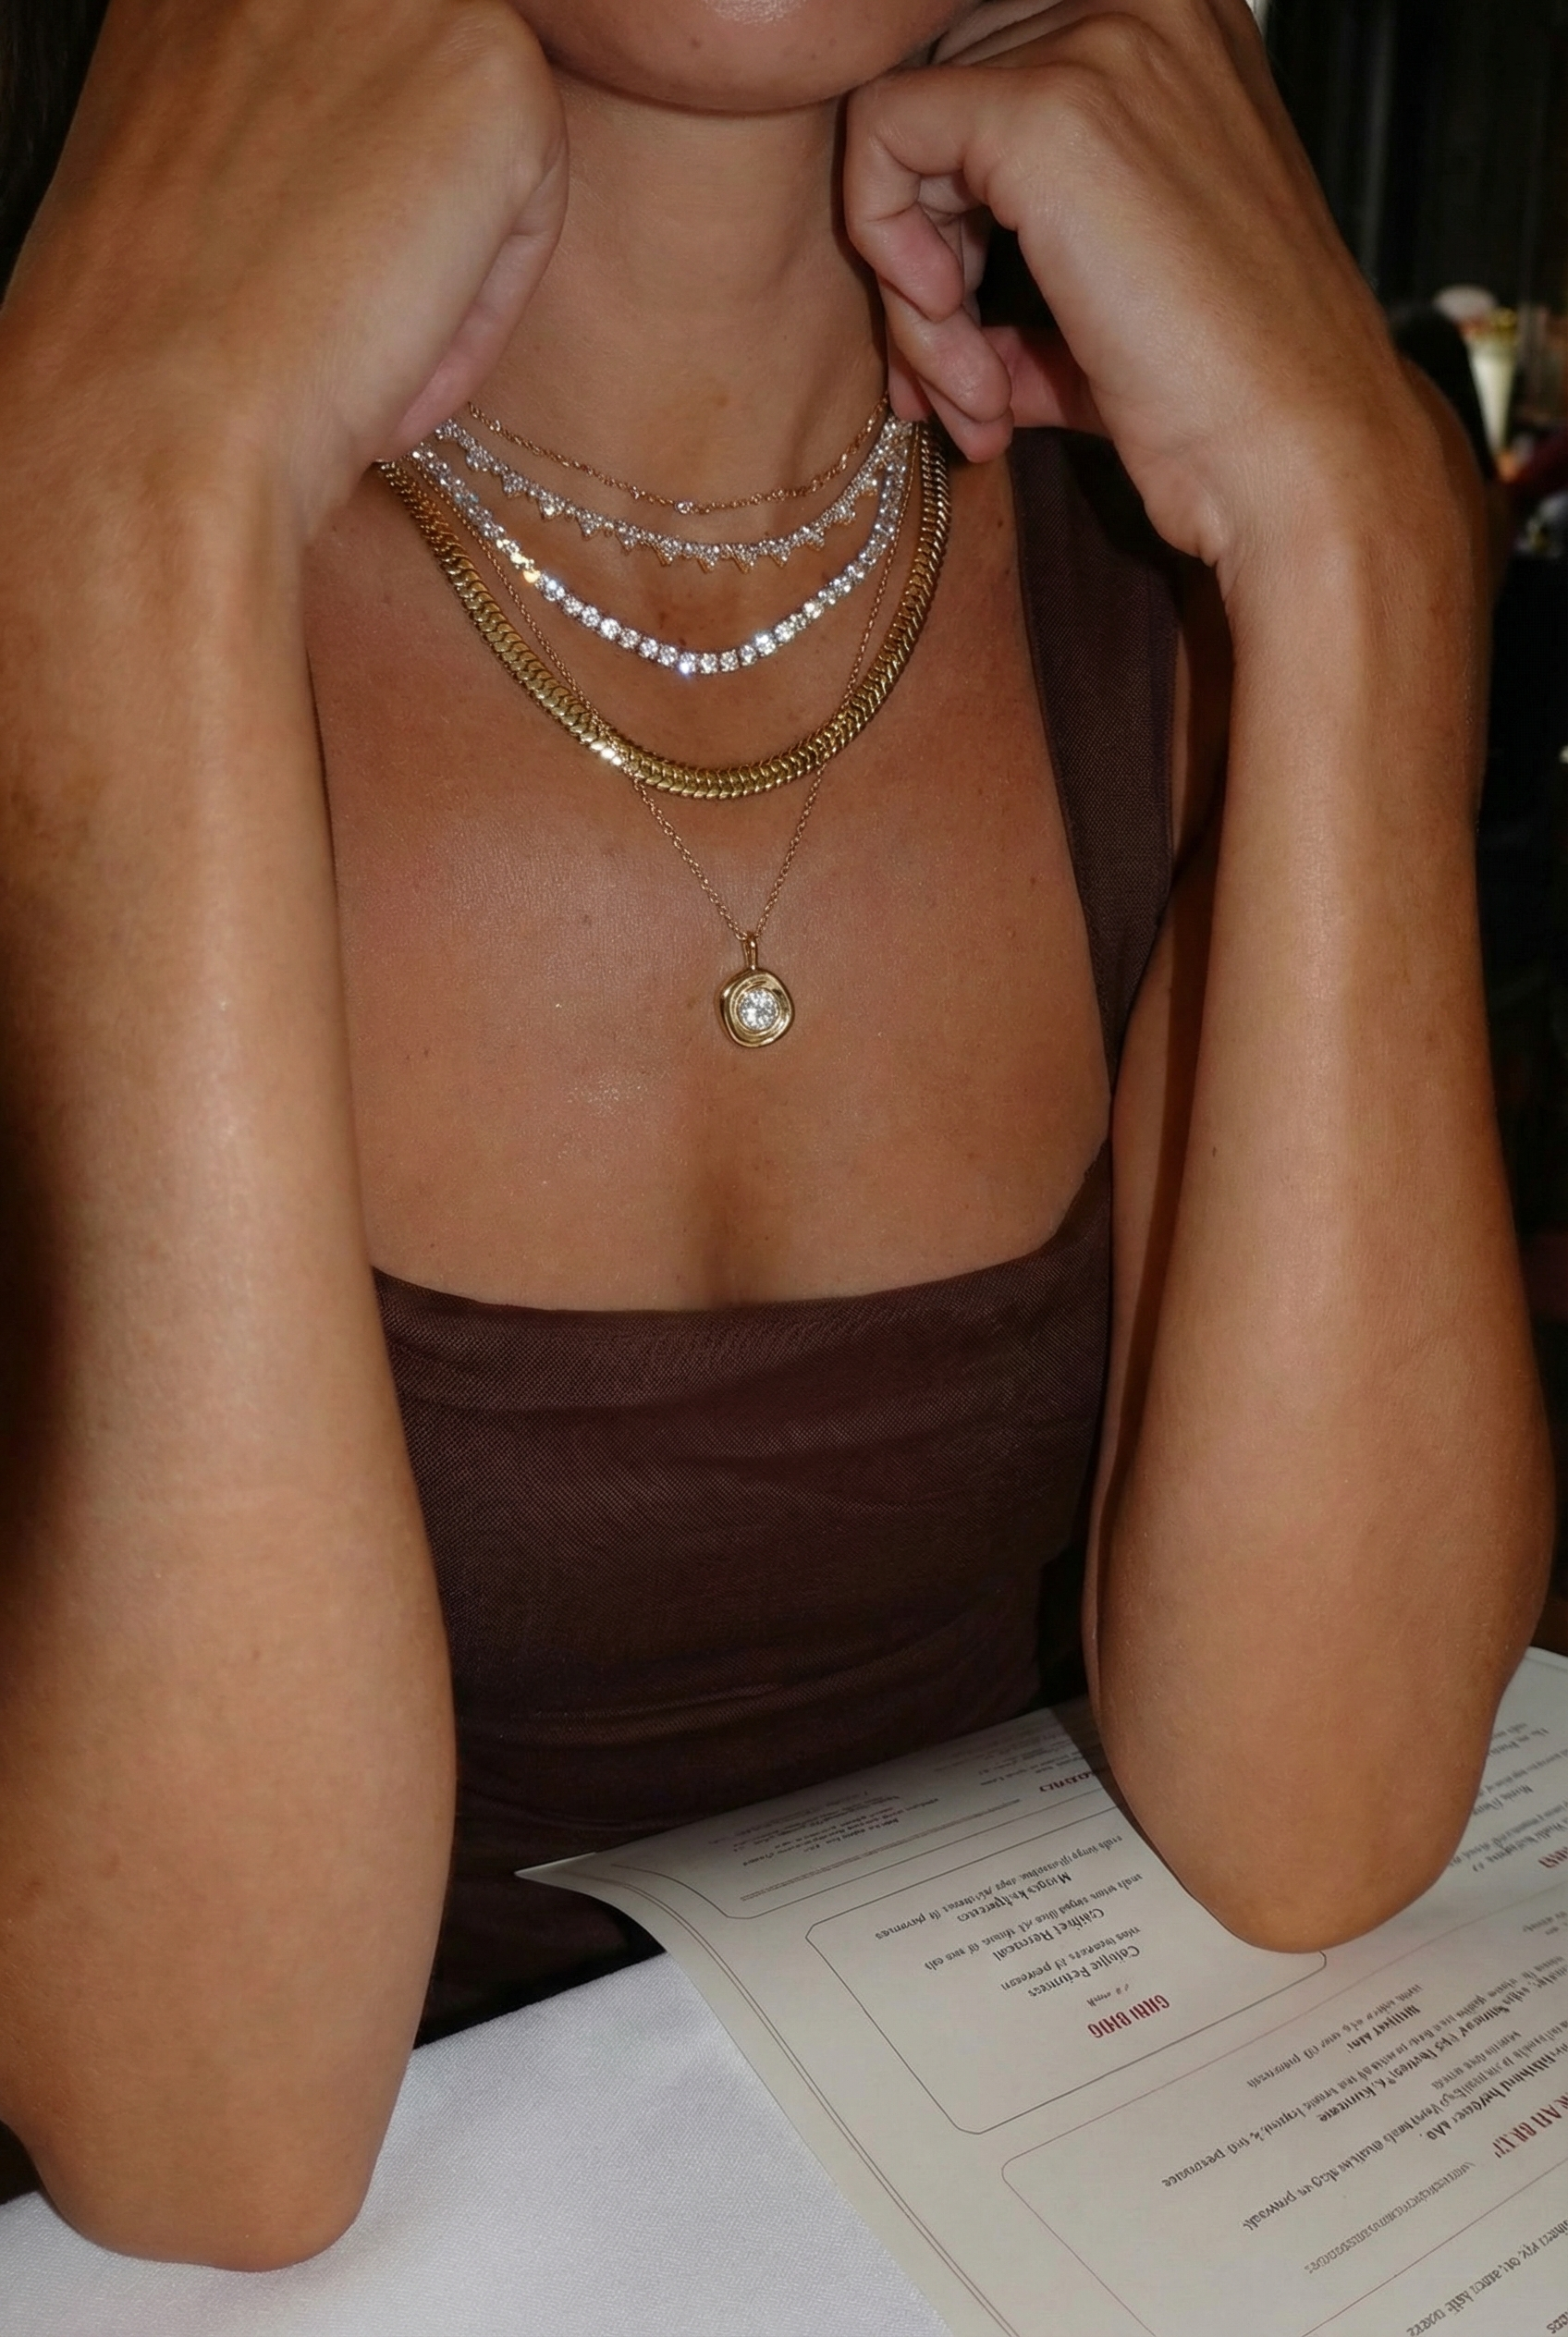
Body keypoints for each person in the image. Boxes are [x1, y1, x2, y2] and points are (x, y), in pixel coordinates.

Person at [0, 0, 1551, 2275]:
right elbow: (205, 2140)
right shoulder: (58, 510)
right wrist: (121, 514)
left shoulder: (1181, 555)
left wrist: (1355, 533)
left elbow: (1317, 1826)